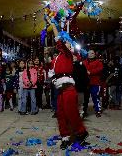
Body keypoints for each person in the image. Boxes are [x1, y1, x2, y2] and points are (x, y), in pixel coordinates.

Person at [47, 17, 88, 150]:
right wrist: (54, 81)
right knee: (61, 114)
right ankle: (64, 137)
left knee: (71, 113)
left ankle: (81, 132)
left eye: (69, 45)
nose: (67, 46)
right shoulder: (55, 59)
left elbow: (59, 40)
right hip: (60, 90)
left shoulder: (68, 55)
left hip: (69, 89)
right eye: (67, 44)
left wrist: (53, 25)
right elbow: (51, 73)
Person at [83, 49, 104, 117]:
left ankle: (97, 110)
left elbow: (100, 69)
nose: (90, 54)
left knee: (95, 97)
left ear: (94, 54)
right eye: (89, 53)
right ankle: (84, 111)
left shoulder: (98, 62)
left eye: (92, 53)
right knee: (85, 98)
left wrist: (90, 72)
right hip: (86, 83)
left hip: (95, 83)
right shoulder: (84, 62)